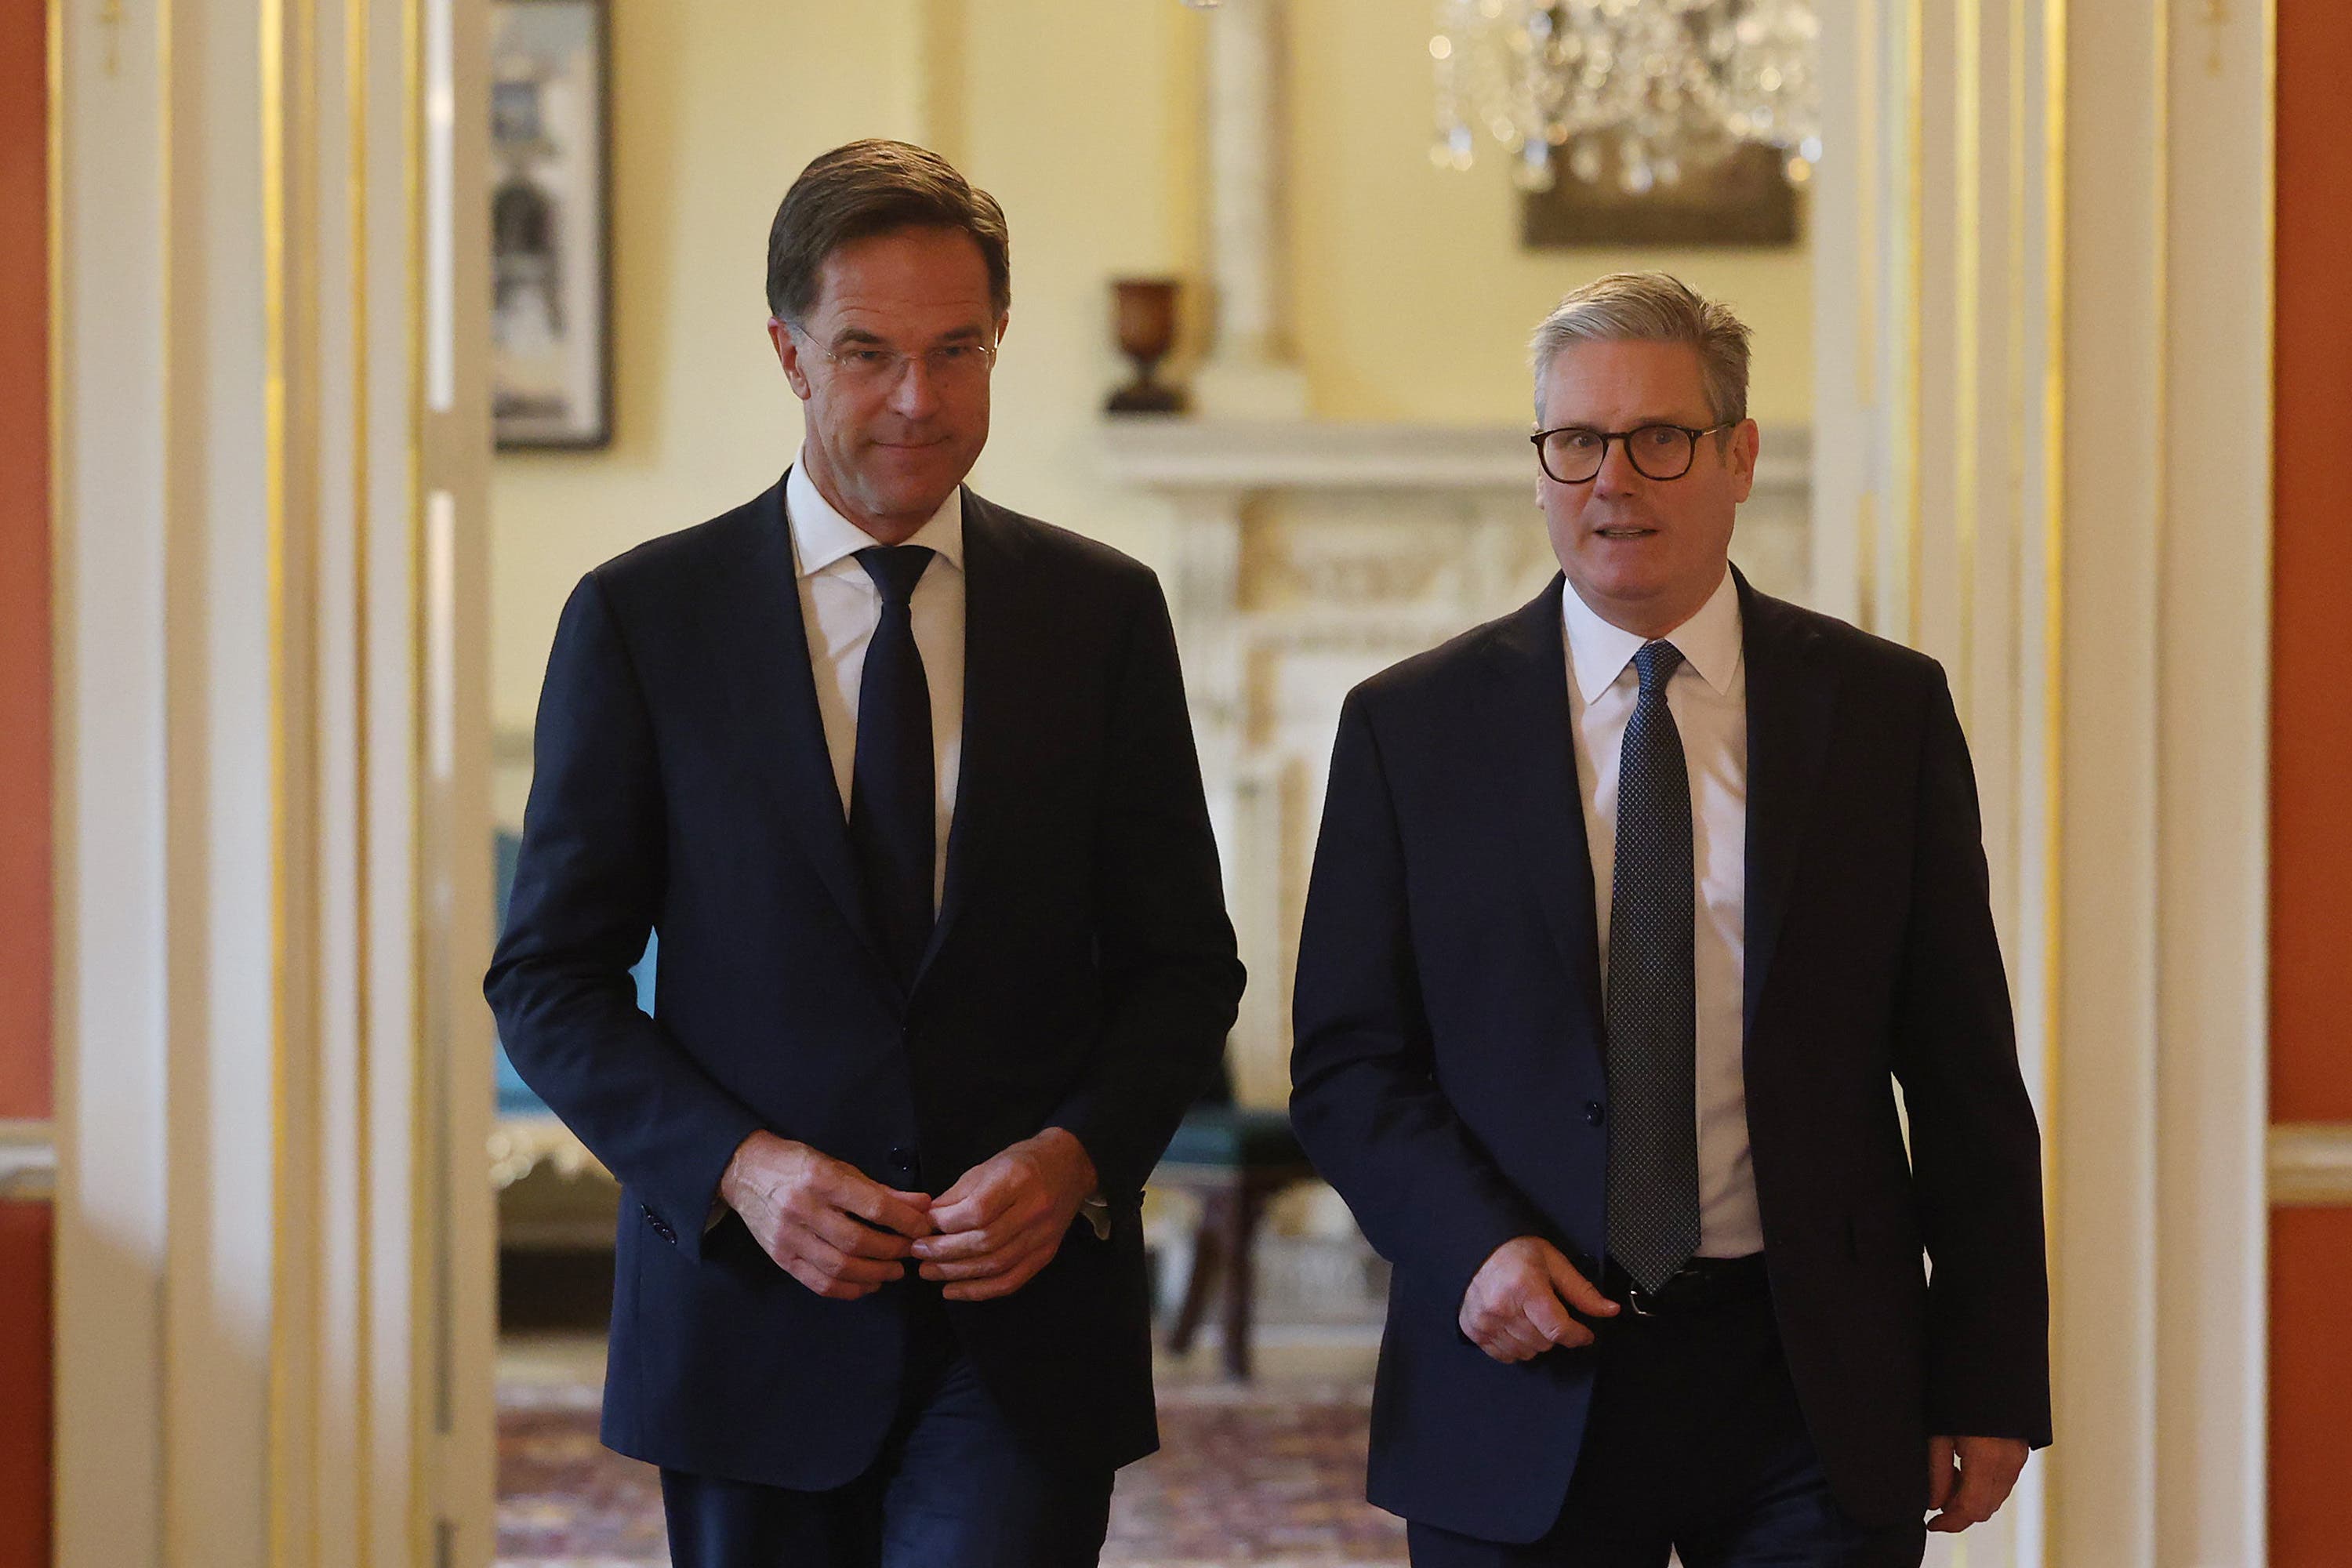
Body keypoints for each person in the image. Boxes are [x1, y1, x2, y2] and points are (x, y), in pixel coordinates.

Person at [485, 139, 1244, 1568]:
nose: (919, 399)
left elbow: (1183, 965)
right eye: (869, 353)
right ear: (787, 351)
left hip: (1021, 1333)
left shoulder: (1103, 614)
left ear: (1000, 339)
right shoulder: (645, 621)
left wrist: (1078, 1159)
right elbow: (550, 982)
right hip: (747, 1321)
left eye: (959, 349)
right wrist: (743, 1170)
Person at [1288, 272, 2049, 1567]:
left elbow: (1965, 1070)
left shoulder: (1881, 715)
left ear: (1739, 456)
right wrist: (1470, 1249)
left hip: (1808, 1378)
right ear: (1540, 466)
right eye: (1576, 442)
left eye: (1661, 438)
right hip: (1522, 1363)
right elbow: (1350, 1061)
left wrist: (1988, 1372)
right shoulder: (1411, 729)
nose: (1612, 480)